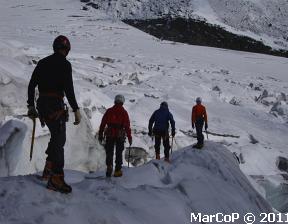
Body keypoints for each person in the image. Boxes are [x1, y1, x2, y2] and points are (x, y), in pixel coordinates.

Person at [27, 35, 81, 194]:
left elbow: (32, 85)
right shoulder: (65, 65)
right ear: (66, 49)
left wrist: (31, 105)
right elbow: (69, 90)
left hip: (42, 105)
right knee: (59, 139)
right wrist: (76, 109)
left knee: (57, 137)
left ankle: (49, 169)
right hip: (55, 105)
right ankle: (56, 178)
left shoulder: (43, 63)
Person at [98, 95, 132, 177]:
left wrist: (100, 134)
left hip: (110, 133)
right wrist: (129, 137)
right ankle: (117, 170)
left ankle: (109, 166)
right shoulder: (124, 112)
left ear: (115, 101)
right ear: (122, 102)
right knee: (119, 152)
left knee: (109, 151)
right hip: (120, 134)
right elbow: (127, 126)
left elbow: (103, 123)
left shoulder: (109, 111)